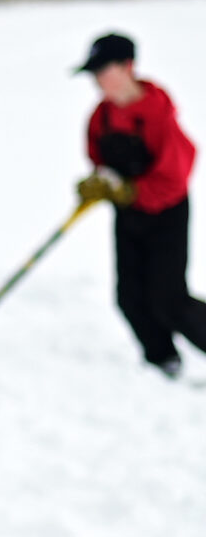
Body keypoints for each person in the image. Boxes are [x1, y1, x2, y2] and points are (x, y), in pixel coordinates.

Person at [72, 31, 206, 376]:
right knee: (130, 299)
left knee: (169, 300)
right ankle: (163, 363)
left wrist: (132, 192)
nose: (98, 80)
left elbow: (176, 176)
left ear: (128, 67)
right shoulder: (100, 117)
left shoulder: (158, 115)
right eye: (95, 72)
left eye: (105, 70)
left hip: (167, 214)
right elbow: (99, 161)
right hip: (128, 217)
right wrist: (98, 184)